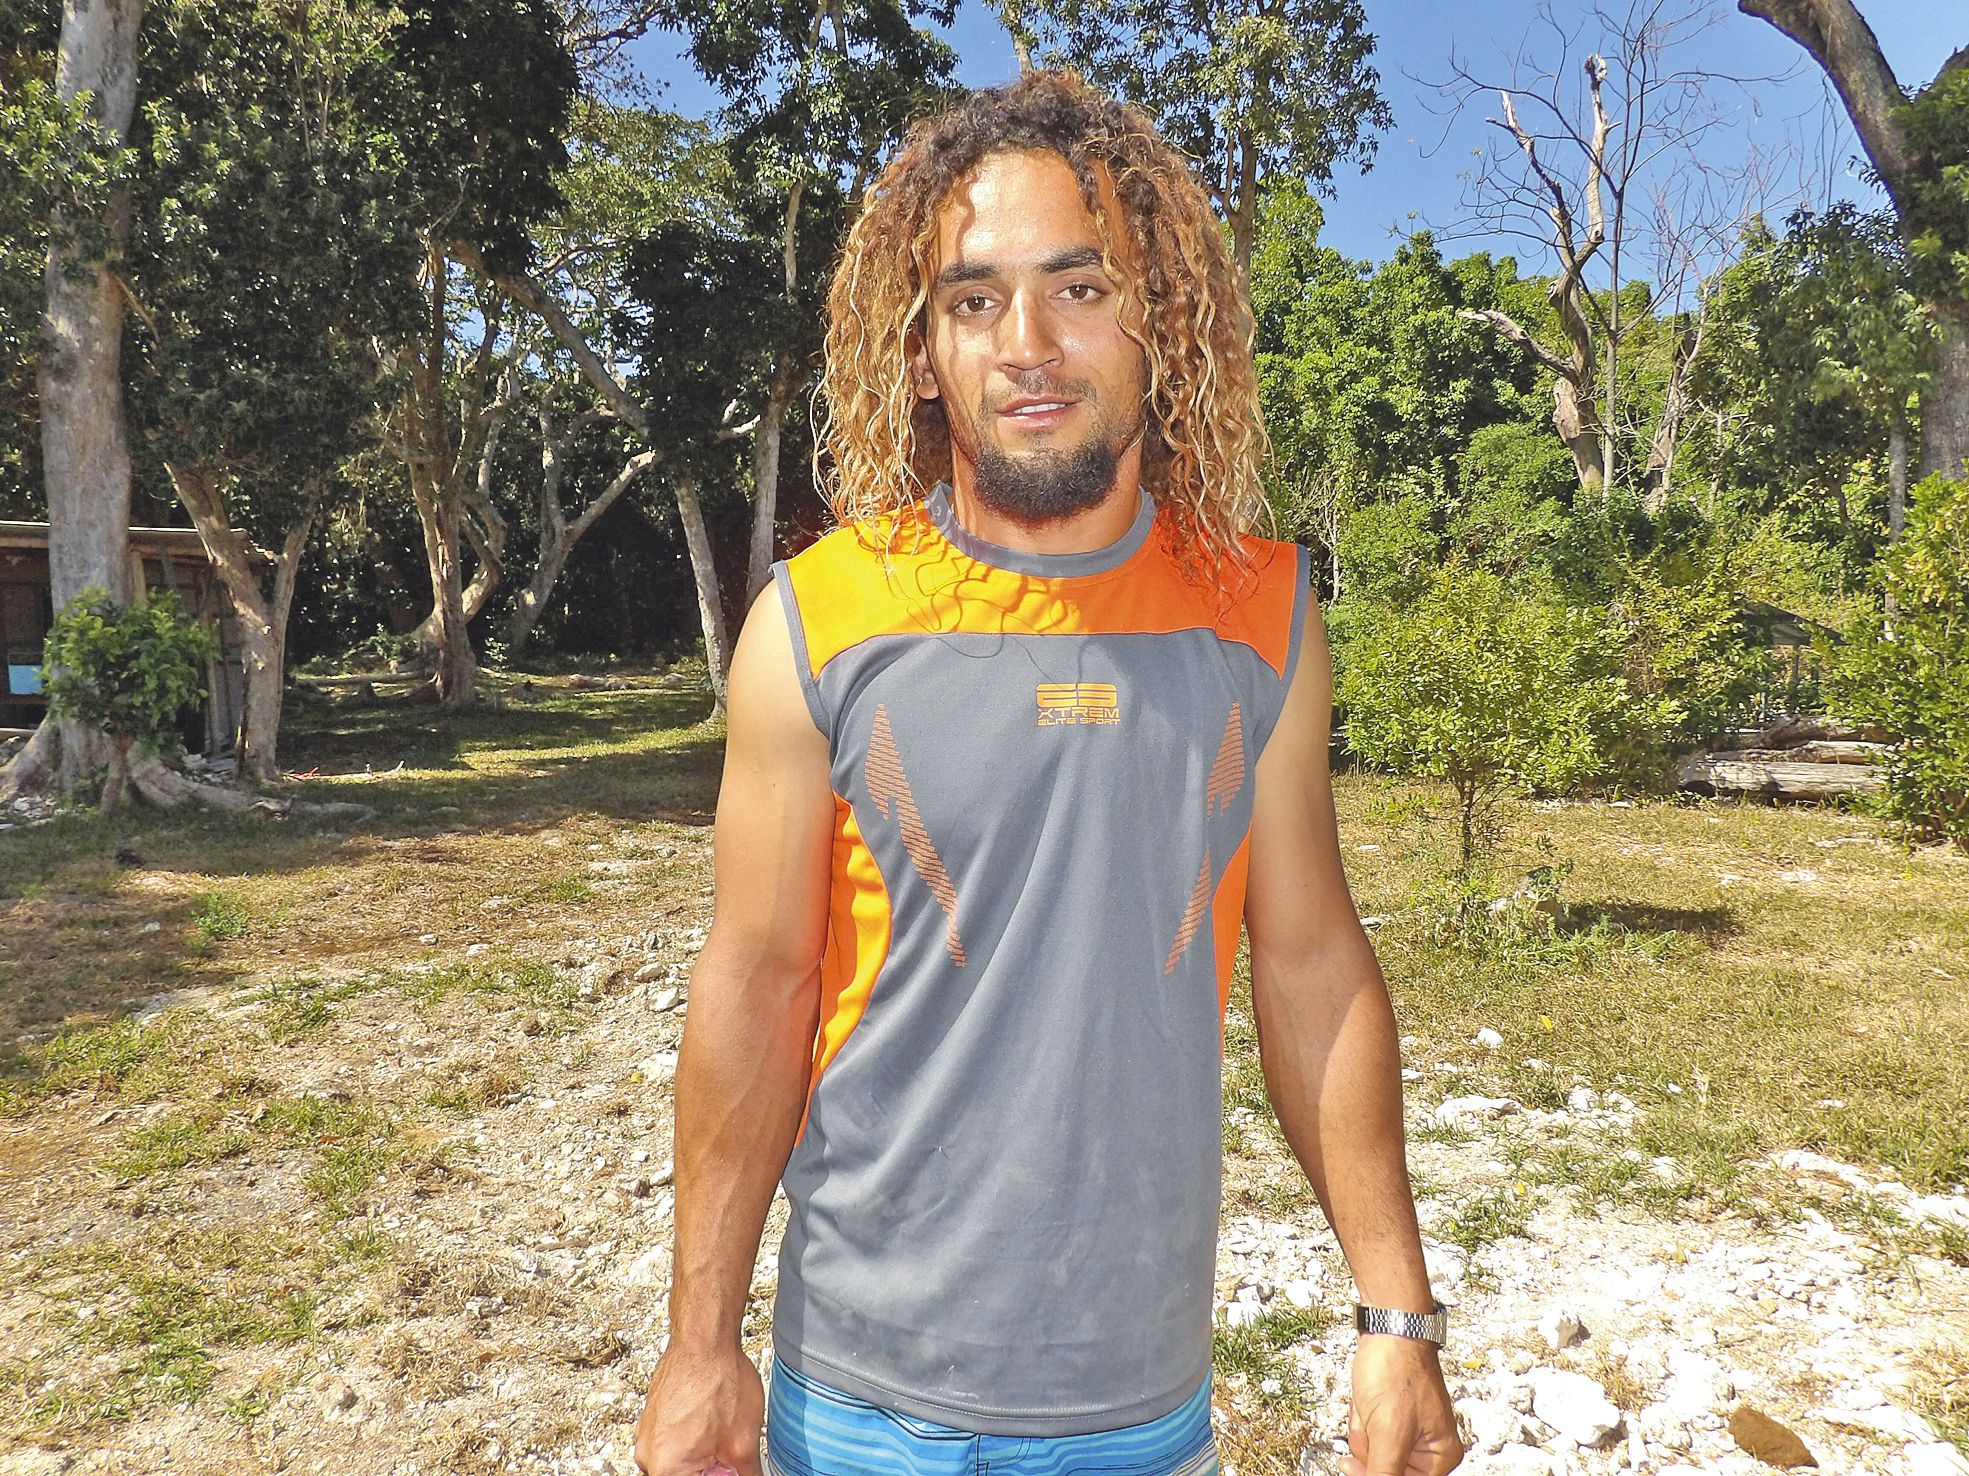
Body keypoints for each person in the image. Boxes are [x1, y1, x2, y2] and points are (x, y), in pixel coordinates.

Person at [633, 70, 1465, 1476]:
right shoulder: (816, 623)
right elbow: (756, 985)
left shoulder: (1260, 616)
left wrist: (1396, 1312)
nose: (1027, 345)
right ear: (921, 354)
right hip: (857, 1409)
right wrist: (701, 1346)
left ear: (1162, 323)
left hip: (1137, 1411)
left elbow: (1311, 966)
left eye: (1080, 290)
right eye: (974, 301)